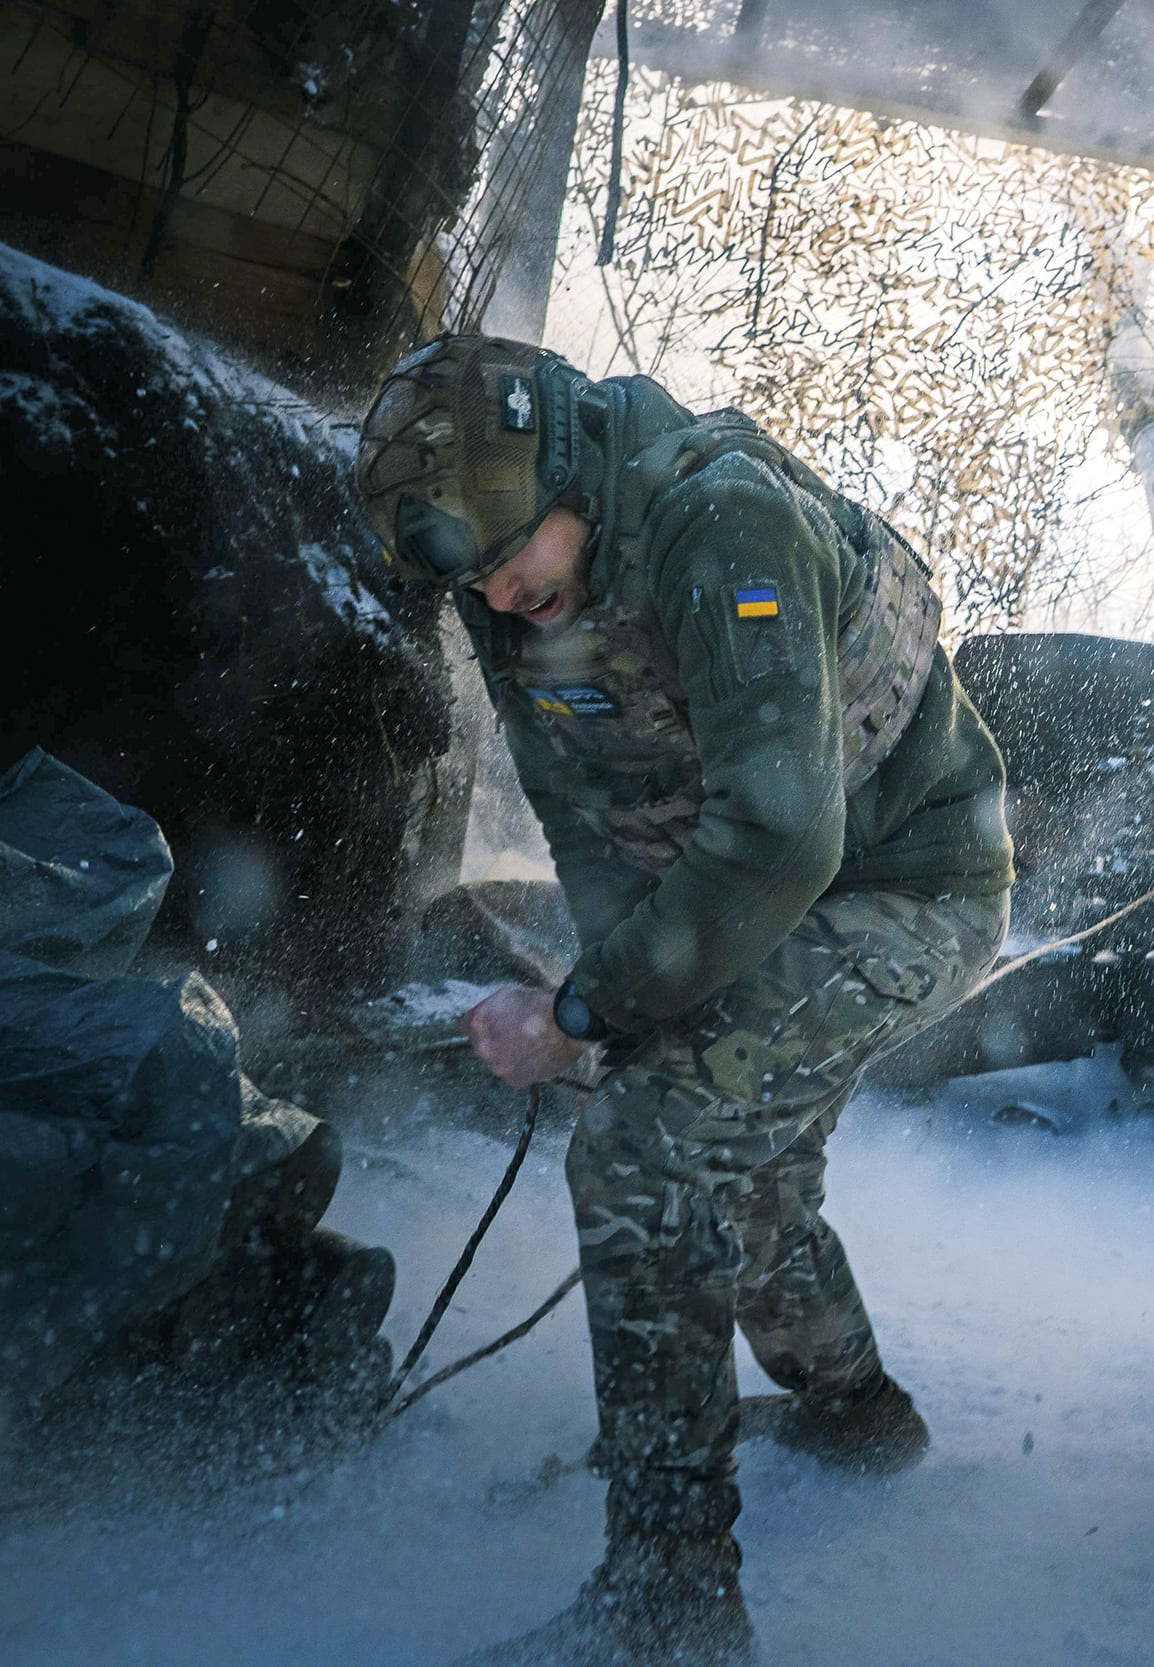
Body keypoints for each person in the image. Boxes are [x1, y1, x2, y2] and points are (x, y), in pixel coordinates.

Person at [356, 335, 1014, 1664]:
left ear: (562, 468)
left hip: (903, 889)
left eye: (507, 555)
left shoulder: (720, 519)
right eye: (470, 576)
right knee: (741, 1166)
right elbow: (592, 827)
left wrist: (591, 1020)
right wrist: (608, 996)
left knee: (649, 1148)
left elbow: (778, 837)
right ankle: (856, 1416)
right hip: (760, 891)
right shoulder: (511, 584)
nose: (497, 590)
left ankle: (673, 1602)